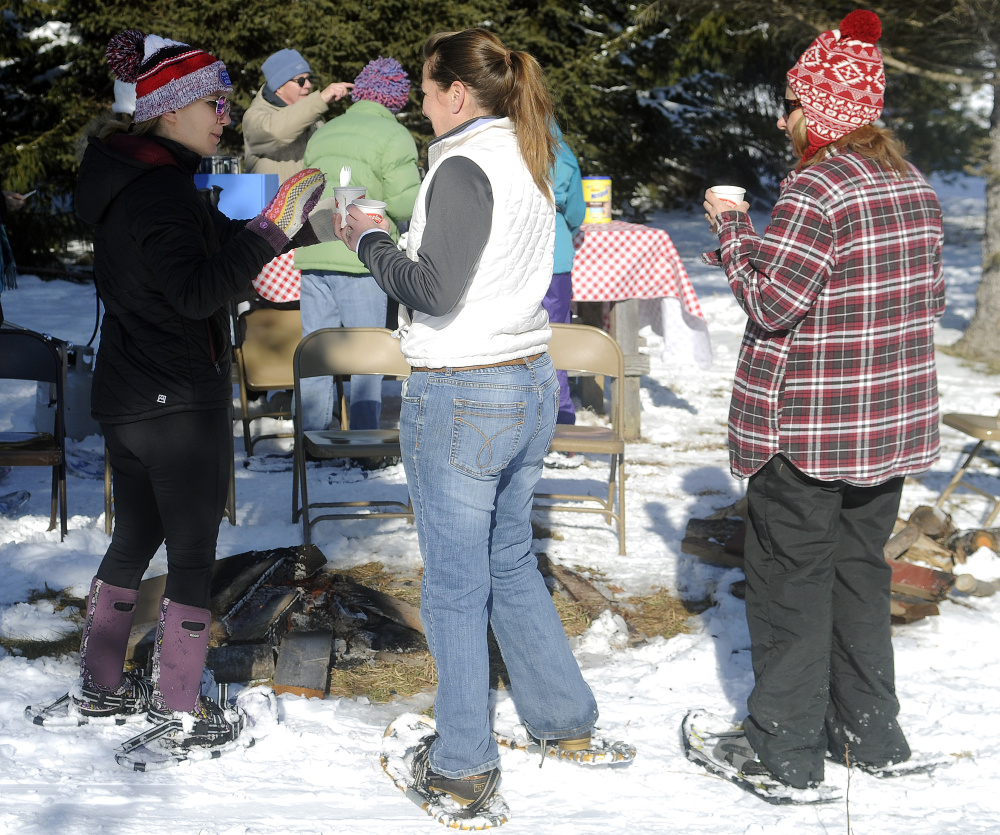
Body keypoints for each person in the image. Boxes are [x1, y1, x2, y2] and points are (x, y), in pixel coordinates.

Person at [338, 28, 609, 814]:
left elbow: (433, 289)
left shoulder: (462, 163)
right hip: (523, 378)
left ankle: (461, 762)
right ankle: (563, 720)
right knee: (509, 561)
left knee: (456, 587)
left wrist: (367, 237)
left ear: (457, 93)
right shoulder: (527, 151)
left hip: (465, 389)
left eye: (425, 89)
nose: (420, 103)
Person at [36, 29, 328, 751]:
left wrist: (272, 229)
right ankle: (181, 704)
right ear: (169, 108)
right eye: (213, 102)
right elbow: (198, 290)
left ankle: (100, 686)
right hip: (175, 400)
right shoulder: (160, 187)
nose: (224, 115)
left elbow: (184, 259)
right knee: (193, 552)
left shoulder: (131, 175)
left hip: (131, 395)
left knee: (135, 537)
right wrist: (269, 231)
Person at [697, 10, 944, 792]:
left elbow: (772, 304)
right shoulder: (914, 186)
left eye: (795, 103)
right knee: (859, 576)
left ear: (824, 114)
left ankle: (783, 749)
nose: (784, 117)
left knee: (790, 586)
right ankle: (869, 735)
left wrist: (733, 227)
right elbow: (922, 297)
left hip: (805, 432)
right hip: (887, 429)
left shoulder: (815, 187)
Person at [296, 56, 420, 433]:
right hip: (360, 255)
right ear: (395, 99)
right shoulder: (394, 136)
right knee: (367, 356)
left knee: (317, 352)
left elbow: (303, 190)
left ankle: (313, 440)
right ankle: (364, 442)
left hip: (314, 250)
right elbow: (405, 203)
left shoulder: (325, 131)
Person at [243, 48, 353, 184]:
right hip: (272, 205)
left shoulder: (312, 118)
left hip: (310, 203)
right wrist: (320, 99)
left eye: (309, 79)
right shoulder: (255, 117)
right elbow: (277, 132)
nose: (308, 85)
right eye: (301, 81)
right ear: (279, 87)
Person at [541, 128, 585, 468]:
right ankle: (561, 429)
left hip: (512, 260)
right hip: (554, 259)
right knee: (557, 342)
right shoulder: (563, 154)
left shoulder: (505, 140)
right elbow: (576, 213)